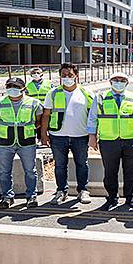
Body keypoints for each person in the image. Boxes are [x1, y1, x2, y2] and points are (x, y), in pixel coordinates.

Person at [87, 72, 133, 210]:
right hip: (108, 140)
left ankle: (130, 197)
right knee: (110, 171)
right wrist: (92, 136)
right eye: (116, 80)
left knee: (131, 170)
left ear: (127, 83)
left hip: (130, 140)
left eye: (122, 80)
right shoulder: (101, 97)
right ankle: (112, 197)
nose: (119, 82)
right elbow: (92, 117)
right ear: (110, 82)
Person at [40, 63, 94, 205]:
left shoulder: (87, 93)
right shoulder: (53, 93)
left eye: (69, 75)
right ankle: (61, 191)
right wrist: (43, 135)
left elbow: (93, 116)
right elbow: (46, 115)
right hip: (58, 136)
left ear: (76, 76)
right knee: (59, 165)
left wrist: (94, 135)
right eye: (63, 75)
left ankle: (83, 190)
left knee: (82, 164)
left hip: (81, 136)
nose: (66, 78)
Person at [0, 77, 42, 209]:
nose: (13, 89)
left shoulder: (34, 103)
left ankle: (31, 196)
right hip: (4, 143)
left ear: (23, 88)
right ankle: (7, 197)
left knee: (30, 171)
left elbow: (39, 121)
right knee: (4, 172)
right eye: (10, 86)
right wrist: (7, 130)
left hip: (27, 142)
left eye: (16, 87)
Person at [25, 67, 53, 142]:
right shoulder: (28, 85)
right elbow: (25, 96)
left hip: (47, 106)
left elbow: (53, 94)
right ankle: (39, 138)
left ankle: (50, 137)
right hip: (34, 108)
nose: (36, 74)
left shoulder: (49, 83)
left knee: (49, 122)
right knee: (37, 123)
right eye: (33, 73)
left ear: (42, 74)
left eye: (37, 73)